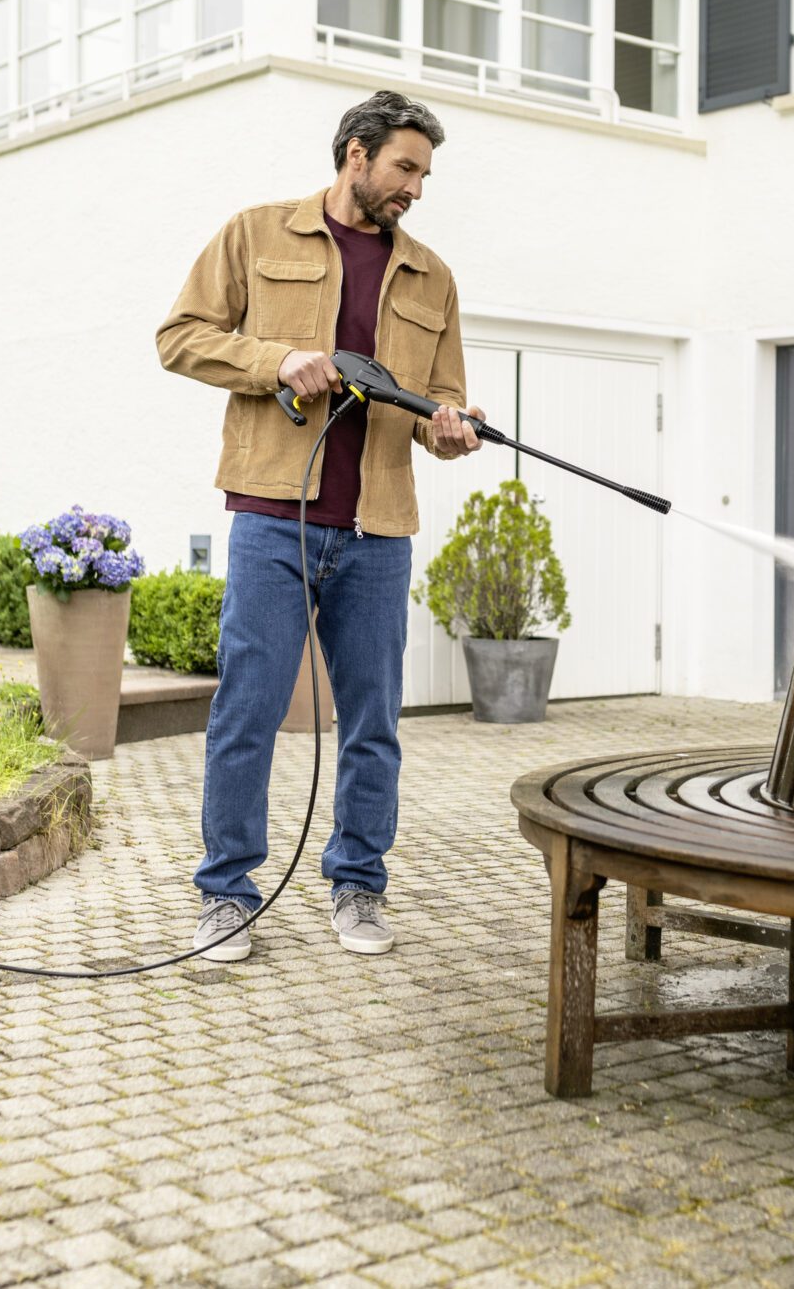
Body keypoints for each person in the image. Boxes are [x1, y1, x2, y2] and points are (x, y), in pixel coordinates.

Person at [155, 91, 484, 961]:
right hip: (274, 519)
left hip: (379, 531)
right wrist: (275, 361)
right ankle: (226, 896)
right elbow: (179, 336)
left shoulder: (433, 276)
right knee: (247, 713)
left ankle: (359, 885)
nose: (416, 188)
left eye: (425, 174)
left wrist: (451, 429)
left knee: (373, 723)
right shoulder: (256, 234)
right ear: (355, 155)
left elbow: (438, 406)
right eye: (405, 167)